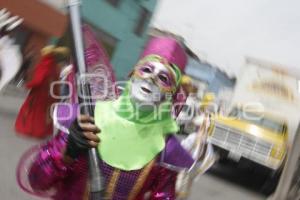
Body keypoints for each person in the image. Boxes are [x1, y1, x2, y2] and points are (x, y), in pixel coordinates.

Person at [17, 37, 194, 200]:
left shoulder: (166, 150)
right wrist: (66, 153)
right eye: (146, 70)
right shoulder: (85, 118)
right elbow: (37, 180)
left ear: (171, 93)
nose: (150, 79)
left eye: (163, 78)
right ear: (132, 74)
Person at [15, 46, 70, 138]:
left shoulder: (44, 64)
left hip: (38, 94)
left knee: (33, 112)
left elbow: (38, 80)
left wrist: (28, 85)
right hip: (49, 95)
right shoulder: (54, 66)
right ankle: (42, 131)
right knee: (44, 113)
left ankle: (30, 130)